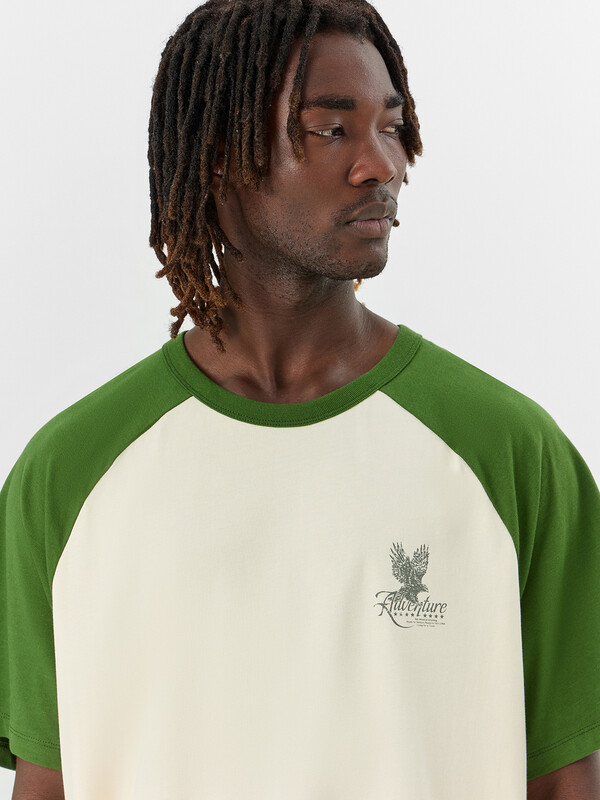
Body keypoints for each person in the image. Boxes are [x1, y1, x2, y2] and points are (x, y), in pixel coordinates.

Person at [1, 1, 599, 798]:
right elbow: (47, 781)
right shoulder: (68, 473)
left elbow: (567, 780)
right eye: (331, 129)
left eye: (392, 126)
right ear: (220, 156)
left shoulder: (509, 452)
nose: (382, 164)